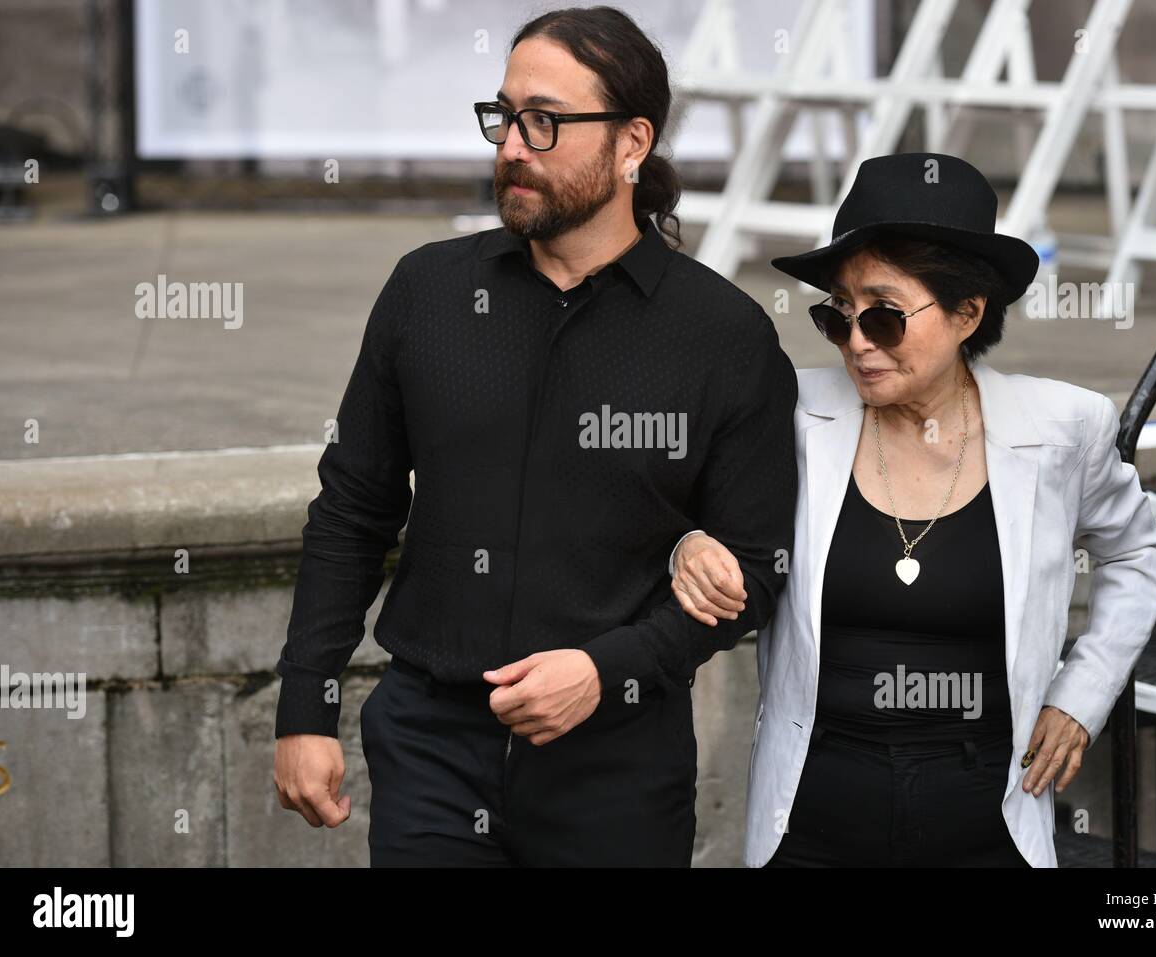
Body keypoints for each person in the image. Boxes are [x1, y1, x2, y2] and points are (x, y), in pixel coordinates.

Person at [271, 5, 798, 866]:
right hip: (429, 751)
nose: (513, 145)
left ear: (633, 143)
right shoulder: (426, 293)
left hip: (618, 767)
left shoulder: (723, 337)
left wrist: (608, 667)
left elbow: (757, 569)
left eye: (546, 121)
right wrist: (305, 706)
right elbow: (354, 508)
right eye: (505, 116)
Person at [667, 152, 1156, 867]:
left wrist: (1081, 693)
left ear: (969, 311)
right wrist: (688, 543)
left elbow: (1136, 553)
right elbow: (680, 503)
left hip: (987, 823)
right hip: (811, 824)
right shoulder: (792, 412)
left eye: (885, 315)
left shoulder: (1061, 427)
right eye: (837, 314)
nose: (858, 343)